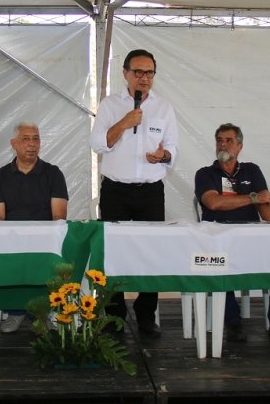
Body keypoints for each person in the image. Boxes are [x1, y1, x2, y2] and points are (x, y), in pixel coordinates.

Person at [90, 48, 178, 339]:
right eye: (138, 72)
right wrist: (124, 123)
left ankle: (146, 314)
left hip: (151, 191)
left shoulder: (164, 107)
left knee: (151, 253)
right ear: (125, 73)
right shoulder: (109, 105)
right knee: (113, 254)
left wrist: (164, 155)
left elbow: (173, 150)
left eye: (149, 72)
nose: (144, 78)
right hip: (116, 190)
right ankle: (114, 316)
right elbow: (98, 144)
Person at [194, 123, 270, 343]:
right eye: (219, 140)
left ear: (240, 146)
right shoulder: (205, 173)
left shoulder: (252, 170)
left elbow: (265, 203)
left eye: (229, 140)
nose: (223, 144)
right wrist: (253, 197)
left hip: (251, 236)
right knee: (216, 266)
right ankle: (233, 323)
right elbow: (214, 203)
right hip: (217, 236)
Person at [0, 122, 69, 333]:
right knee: (8, 257)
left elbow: (59, 216)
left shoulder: (53, 174)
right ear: (13, 144)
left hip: (45, 239)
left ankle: (43, 313)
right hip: (11, 239)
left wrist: (40, 239)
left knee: (51, 259)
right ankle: (15, 312)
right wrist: (14, 238)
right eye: (26, 139)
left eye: (36, 139)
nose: (32, 144)